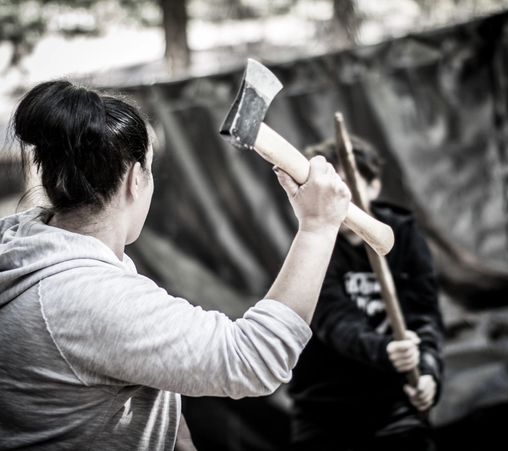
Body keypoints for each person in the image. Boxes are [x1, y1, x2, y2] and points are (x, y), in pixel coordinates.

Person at [0, 80, 350, 450]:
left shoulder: (28, 246)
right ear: (136, 180)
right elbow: (254, 359)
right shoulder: (86, 297)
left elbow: (131, 380)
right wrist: (317, 227)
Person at [287, 136, 444, 451]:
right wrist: (386, 350)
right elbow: (332, 319)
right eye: (328, 187)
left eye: (347, 185)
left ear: (373, 186)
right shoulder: (314, 243)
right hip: (324, 405)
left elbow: (424, 315)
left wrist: (427, 371)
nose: (336, 197)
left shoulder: (403, 235)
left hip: (394, 403)